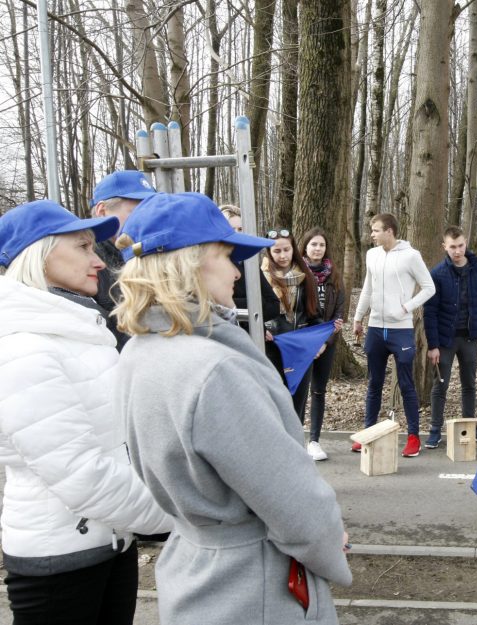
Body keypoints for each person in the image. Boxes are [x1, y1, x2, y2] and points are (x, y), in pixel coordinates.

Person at [112, 192, 352, 625]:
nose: (234, 271)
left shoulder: (139, 353)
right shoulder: (213, 370)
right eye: (225, 256)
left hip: (193, 569)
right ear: (188, 263)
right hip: (251, 586)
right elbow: (293, 502)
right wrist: (330, 546)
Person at [0, 200, 172, 625]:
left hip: (111, 539)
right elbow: (79, 471)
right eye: (82, 247)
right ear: (37, 254)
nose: (98, 260)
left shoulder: (76, 331)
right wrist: (174, 517)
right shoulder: (24, 347)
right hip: (60, 560)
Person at [352, 213, 435, 457]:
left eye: (376, 230)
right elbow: (368, 287)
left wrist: (406, 307)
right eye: (371, 230)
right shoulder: (372, 255)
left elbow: (429, 287)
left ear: (390, 231)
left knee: (407, 384)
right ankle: (368, 433)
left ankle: (413, 438)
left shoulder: (411, 256)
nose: (372, 235)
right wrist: (358, 318)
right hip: (376, 329)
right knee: (374, 384)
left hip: (401, 330)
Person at [424, 226, 477, 448]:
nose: (457, 251)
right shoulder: (437, 274)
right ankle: (435, 430)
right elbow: (430, 312)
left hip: (470, 337)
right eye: (452, 247)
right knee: (440, 386)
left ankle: (471, 426)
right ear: (444, 247)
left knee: (469, 384)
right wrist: (433, 345)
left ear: (466, 243)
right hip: (445, 340)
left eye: (460, 245)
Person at [261, 228, 330, 422]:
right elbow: (253, 315)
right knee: (272, 407)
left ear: (293, 250)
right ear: (268, 252)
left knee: (296, 408)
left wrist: (319, 342)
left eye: (287, 250)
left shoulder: (305, 277)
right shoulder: (258, 278)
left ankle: (296, 449)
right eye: (277, 251)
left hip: (299, 351)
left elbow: (315, 315)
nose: (283, 256)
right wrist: (261, 329)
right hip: (270, 350)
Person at [89, 170, 157, 349]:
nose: (147, 219)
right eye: (136, 211)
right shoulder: (88, 265)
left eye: (149, 210)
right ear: (102, 211)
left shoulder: (150, 253)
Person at [301, 227, 346, 461]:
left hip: (326, 344)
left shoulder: (335, 277)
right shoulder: (298, 274)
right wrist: (309, 343)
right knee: (297, 391)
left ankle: (314, 441)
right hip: (301, 342)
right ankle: (293, 439)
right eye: (313, 245)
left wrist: (324, 343)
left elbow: (338, 316)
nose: (317, 249)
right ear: (305, 247)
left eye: (321, 245)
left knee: (318, 390)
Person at [218, 204, 281, 330]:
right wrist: (256, 302)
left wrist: (238, 303)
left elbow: (274, 306)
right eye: (231, 229)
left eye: (240, 229)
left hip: (255, 336)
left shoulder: (249, 263)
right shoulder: (214, 265)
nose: (237, 234)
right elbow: (216, 306)